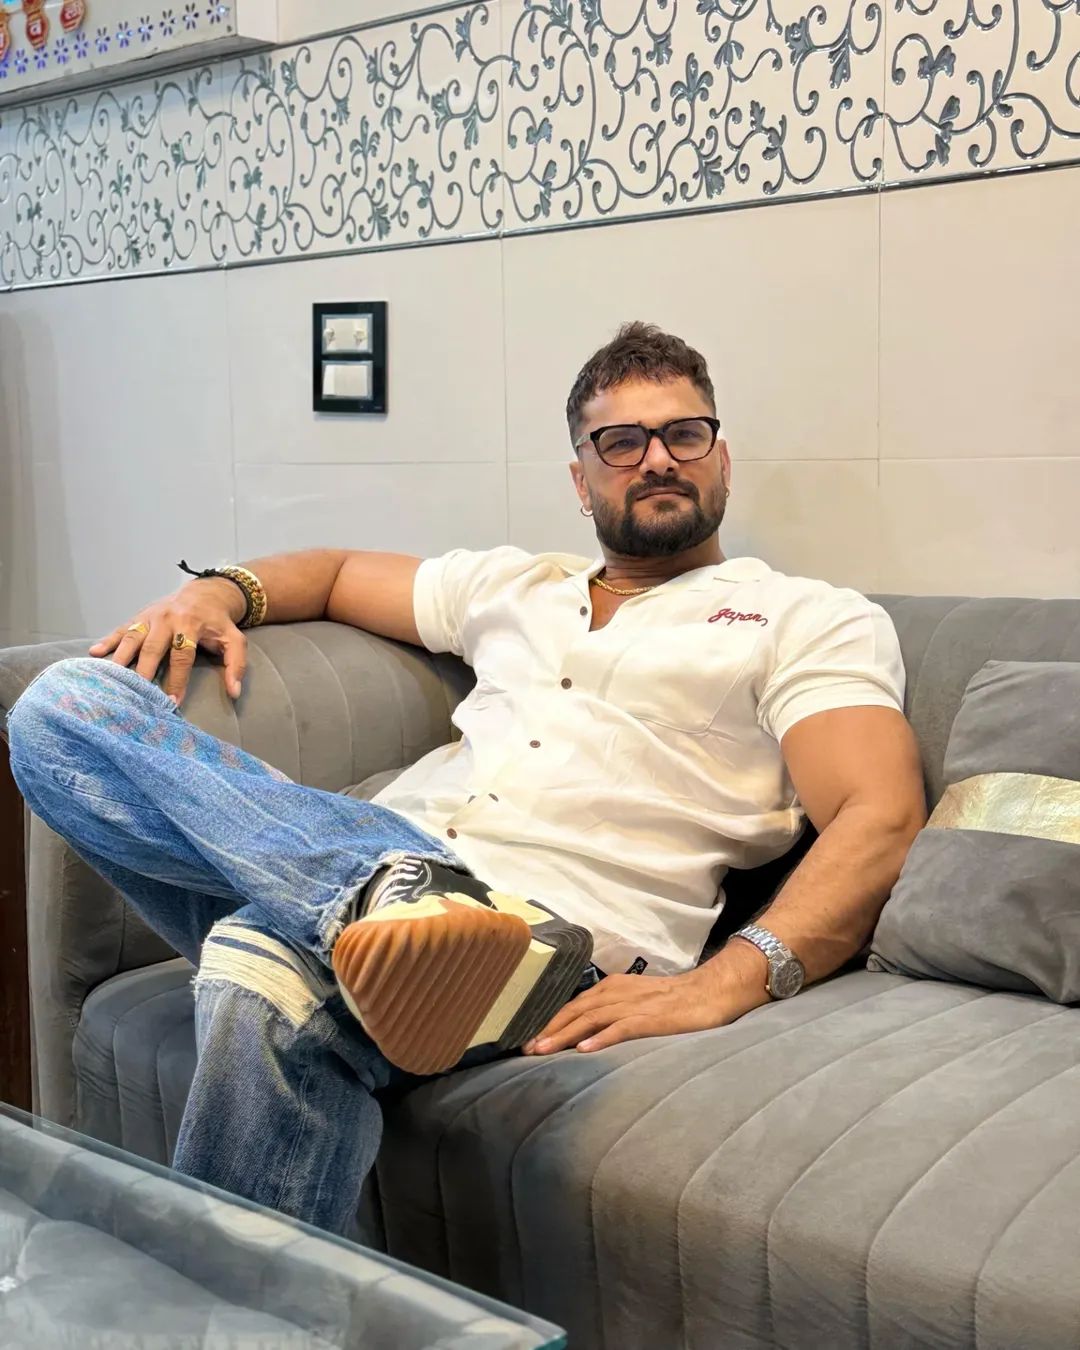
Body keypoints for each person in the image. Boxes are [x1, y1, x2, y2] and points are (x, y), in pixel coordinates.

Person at [7, 322, 926, 1237]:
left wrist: (730, 979)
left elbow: (878, 814)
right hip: (400, 875)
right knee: (59, 708)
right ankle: (372, 898)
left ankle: (370, 908)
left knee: (263, 971)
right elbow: (334, 572)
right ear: (581, 480)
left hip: (550, 939)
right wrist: (211, 593)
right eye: (621, 442)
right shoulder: (514, 587)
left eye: (684, 435)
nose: (657, 459)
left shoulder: (802, 617)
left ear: (720, 459)